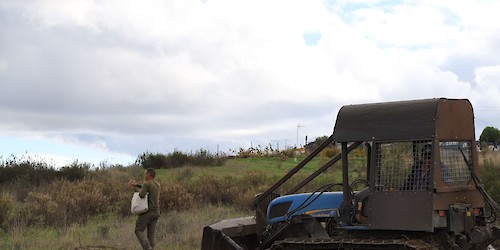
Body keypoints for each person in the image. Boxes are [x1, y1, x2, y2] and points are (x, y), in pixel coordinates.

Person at [128, 168, 161, 250]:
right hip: (156, 212)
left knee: (138, 230)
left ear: (149, 174)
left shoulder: (146, 183)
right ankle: (151, 247)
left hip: (148, 212)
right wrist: (137, 185)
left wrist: (136, 190)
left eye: (145, 174)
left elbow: (142, 195)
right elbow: (146, 187)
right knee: (151, 234)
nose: (144, 175)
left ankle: (148, 248)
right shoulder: (157, 184)